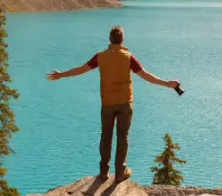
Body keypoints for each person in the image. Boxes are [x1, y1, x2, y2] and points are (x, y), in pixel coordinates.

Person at [46, 25, 180, 183]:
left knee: (106, 136)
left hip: (107, 103)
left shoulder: (101, 56)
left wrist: (61, 75)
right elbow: (146, 76)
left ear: (110, 39)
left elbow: (81, 69)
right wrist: (167, 84)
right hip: (125, 103)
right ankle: (119, 173)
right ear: (122, 39)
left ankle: (103, 173)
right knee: (123, 137)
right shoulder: (128, 57)